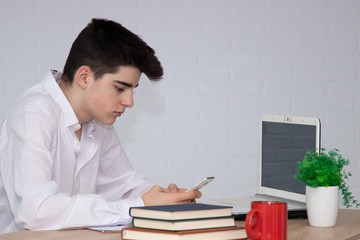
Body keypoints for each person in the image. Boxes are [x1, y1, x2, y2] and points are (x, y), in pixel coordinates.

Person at [0, 18, 201, 234]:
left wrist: (164, 198)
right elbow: (36, 212)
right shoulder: (33, 115)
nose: (129, 102)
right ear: (84, 77)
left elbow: (124, 186)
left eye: (133, 89)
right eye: (120, 88)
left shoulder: (97, 122)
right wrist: (141, 206)